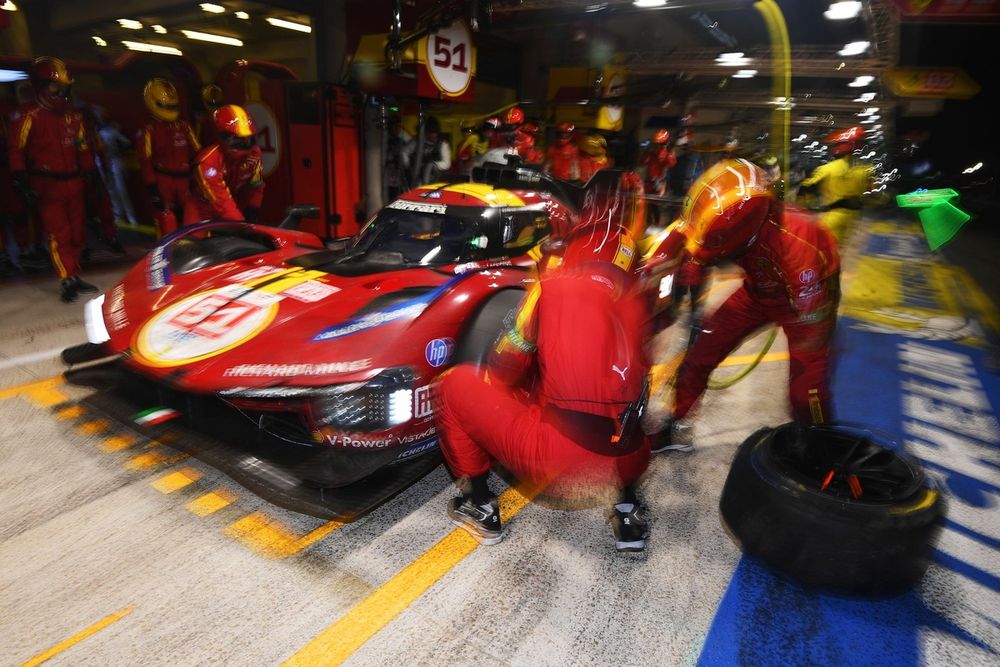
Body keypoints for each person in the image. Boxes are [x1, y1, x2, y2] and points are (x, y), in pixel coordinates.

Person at [433, 172, 655, 553]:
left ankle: (479, 504)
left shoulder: (551, 289)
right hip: (629, 453)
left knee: (454, 385)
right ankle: (628, 510)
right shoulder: (639, 299)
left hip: (561, 459)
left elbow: (505, 368)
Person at [654, 158, 840, 453]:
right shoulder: (728, 213)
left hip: (807, 303)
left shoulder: (799, 248)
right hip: (757, 292)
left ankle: (821, 448)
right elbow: (687, 232)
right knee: (700, 355)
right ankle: (678, 426)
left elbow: (810, 330)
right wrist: (690, 262)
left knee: (806, 389)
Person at [7, 57, 100, 302]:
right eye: (56, 87)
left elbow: (82, 148)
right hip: (47, 185)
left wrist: (91, 173)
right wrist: (21, 180)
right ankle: (66, 277)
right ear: (40, 86)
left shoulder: (75, 117)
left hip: (75, 182)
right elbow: (16, 149)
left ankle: (75, 273)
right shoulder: (27, 115)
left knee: (78, 232)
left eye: (66, 87)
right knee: (59, 234)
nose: (62, 92)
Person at [137, 78, 201, 237]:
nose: (170, 109)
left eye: (172, 106)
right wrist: (152, 188)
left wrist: (197, 176)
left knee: (194, 216)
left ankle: (197, 250)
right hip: (162, 179)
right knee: (166, 219)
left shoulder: (184, 126)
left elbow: (198, 151)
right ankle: (166, 255)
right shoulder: (148, 131)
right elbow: (145, 160)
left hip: (185, 178)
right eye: (166, 106)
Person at [185, 104, 264, 224]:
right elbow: (221, 201)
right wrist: (240, 224)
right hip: (201, 208)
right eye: (237, 139)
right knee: (194, 242)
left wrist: (253, 208)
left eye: (247, 139)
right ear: (223, 137)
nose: (244, 144)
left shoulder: (255, 154)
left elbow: (256, 185)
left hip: (231, 203)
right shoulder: (207, 162)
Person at [797, 126, 872, 243]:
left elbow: (805, 188)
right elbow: (871, 192)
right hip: (854, 218)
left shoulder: (826, 169)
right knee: (842, 247)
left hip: (832, 216)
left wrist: (805, 207)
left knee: (824, 249)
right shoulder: (864, 170)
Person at [411, 115, 451, 185]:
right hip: (418, 178)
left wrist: (433, 165)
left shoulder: (442, 144)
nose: (433, 134)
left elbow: (447, 164)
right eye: (430, 132)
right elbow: (404, 153)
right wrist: (409, 166)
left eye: (435, 132)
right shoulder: (418, 141)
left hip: (436, 179)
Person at [641, 129, 676, 197]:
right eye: (655, 144)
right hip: (648, 183)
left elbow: (671, 164)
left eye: (659, 144)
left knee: (657, 204)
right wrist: (647, 151)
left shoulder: (666, 153)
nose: (656, 146)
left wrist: (669, 153)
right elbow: (642, 162)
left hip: (659, 184)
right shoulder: (650, 153)